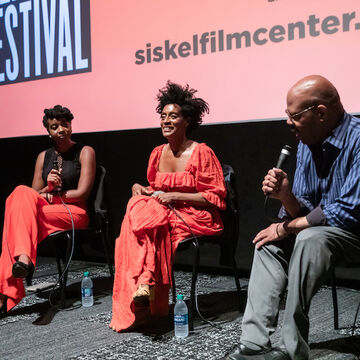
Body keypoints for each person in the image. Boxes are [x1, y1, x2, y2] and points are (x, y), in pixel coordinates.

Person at [222, 75, 360, 360]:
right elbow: (305, 211)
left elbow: (349, 210)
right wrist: (287, 198)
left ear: (320, 113)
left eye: (294, 115)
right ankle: (254, 343)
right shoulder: (307, 144)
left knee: (306, 237)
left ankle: (292, 349)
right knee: (268, 244)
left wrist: (288, 226)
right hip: (323, 234)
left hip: (354, 234)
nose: (287, 122)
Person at [110, 81, 226, 332]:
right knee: (140, 206)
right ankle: (144, 288)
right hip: (165, 212)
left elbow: (214, 198)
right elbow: (155, 190)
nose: (166, 121)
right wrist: (142, 189)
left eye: (173, 116)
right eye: (163, 116)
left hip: (196, 215)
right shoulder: (156, 153)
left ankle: (145, 292)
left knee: (147, 222)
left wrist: (173, 196)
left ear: (187, 121)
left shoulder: (201, 152)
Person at [0, 105, 96, 317]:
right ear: (48, 132)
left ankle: (6, 292)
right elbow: (32, 194)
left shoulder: (85, 152)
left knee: (15, 221)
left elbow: (82, 193)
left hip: (74, 213)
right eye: (55, 127)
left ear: (71, 125)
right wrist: (47, 188)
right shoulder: (43, 157)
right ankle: (23, 260)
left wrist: (52, 196)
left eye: (64, 124)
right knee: (19, 193)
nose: (61, 129)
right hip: (48, 210)